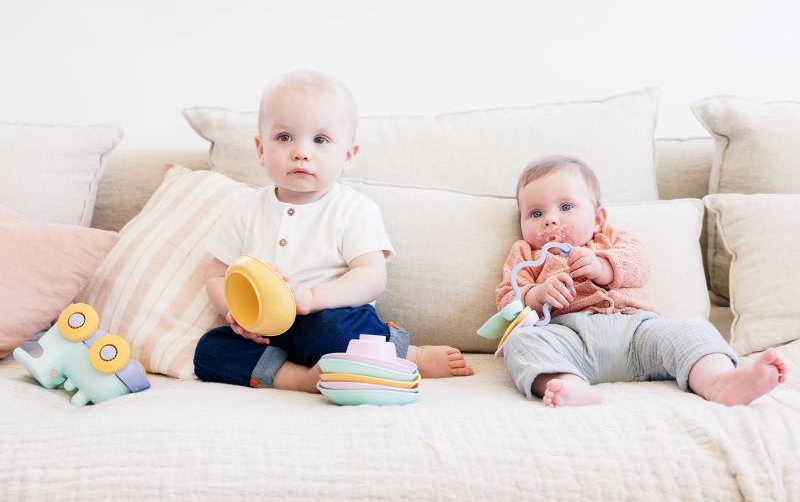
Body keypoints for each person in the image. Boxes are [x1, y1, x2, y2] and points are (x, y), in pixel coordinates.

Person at [193, 70, 473, 393]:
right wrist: (236, 314)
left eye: (320, 140)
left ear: (348, 156)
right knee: (209, 350)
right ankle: (296, 378)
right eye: (284, 137)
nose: (301, 151)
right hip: (264, 329)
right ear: (260, 148)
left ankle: (406, 354)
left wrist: (313, 298)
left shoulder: (353, 209)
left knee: (334, 331)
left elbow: (371, 277)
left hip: (325, 317)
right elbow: (217, 276)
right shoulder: (245, 209)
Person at [496, 155, 786, 407]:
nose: (550, 220)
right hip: (568, 340)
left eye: (566, 207)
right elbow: (507, 300)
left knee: (692, 329)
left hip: (637, 331)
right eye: (535, 213)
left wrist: (604, 266)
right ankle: (566, 384)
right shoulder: (525, 253)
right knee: (520, 342)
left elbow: (639, 264)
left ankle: (718, 381)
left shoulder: (611, 238)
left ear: (598, 218)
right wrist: (537, 295)